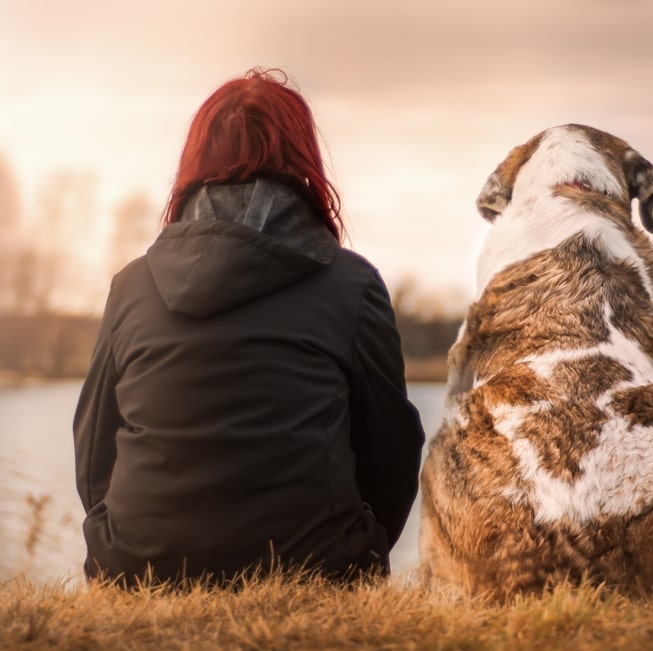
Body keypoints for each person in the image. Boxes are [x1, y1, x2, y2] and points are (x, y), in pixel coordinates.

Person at [73, 68, 425, 587]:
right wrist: (359, 546)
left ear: (195, 162)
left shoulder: (131, 286)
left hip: (137, 568)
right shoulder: (352, 285)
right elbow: (392, 449)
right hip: (316, 569)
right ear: (303, 160)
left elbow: (94, 447)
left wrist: (121, 537)